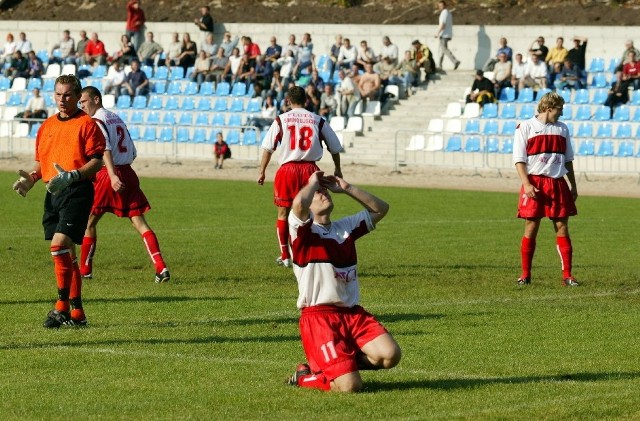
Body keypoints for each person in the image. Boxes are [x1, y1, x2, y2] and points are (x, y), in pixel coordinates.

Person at [285, 171, 401, 392]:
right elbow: (299, 202)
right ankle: (304, 376)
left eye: (325, 191)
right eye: (317, 193)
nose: (323, 194)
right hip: (320, 318)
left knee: (390, 355)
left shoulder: (345, 228)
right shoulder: (302, 233)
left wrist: (347, 188)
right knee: (350, 387)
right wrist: (312, 183)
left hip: (352, 314)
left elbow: (381, 209)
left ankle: (336, 364)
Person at [11, 74, 106, 328]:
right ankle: (77, 314)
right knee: (67, 255)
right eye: (58, 95)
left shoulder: (87, 125)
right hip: (53, 193)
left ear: (77, 97)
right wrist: (30, 180)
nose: (62, 100)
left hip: (77, 190)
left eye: (67, 95)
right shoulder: (47, 126)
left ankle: (61, 308)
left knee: (59, 245)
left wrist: (73, 175)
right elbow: (42, 163)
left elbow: (97, 161)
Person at [77, 86, 170, 283]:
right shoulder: (116, 117)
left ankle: (85, 269)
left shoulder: (96, 121)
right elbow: (133, 151)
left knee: (89, 222)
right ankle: (161, 268)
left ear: (96, 99)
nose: (81, 105)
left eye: (84, 101)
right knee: (140, 223)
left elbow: (105, 149)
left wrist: (111, 175)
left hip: (108, 174)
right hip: (128, 171)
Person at [257, 86, 343, 268]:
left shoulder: (281, 119)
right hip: (311, 170)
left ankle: (285, 255)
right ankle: (314, 252)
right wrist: (338, 169)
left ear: (287, 100)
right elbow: (334, 147)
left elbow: (268, 148)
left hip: (287, 170)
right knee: (315, 212)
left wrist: (262, 171)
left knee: (283, 212)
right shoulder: (318, 120)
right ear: (306, 100)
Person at [513, 92, 579, 287]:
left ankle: (567, 275)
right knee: (531, 227)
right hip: (535, 182)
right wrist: (526, 184)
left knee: (562, 226)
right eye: (559, 109)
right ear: (549, 108)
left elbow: (568, 160)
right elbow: (519, 159)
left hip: (557, 182)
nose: (561, 113)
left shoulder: (562, 129)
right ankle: (525, 274)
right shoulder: (525, 127)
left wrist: (573, 184)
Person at [434, 1, 460, 71]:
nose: (440, 7)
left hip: (444, 34)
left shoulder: (444, 13)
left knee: (444, 49)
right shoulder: (448, 13)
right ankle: (439, 65)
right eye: (439, 6)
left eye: (441, 6)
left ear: (445, 6)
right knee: (442, 50)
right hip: (447, 34)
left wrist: (437, 33)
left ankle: (455, 61)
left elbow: (443, 24)